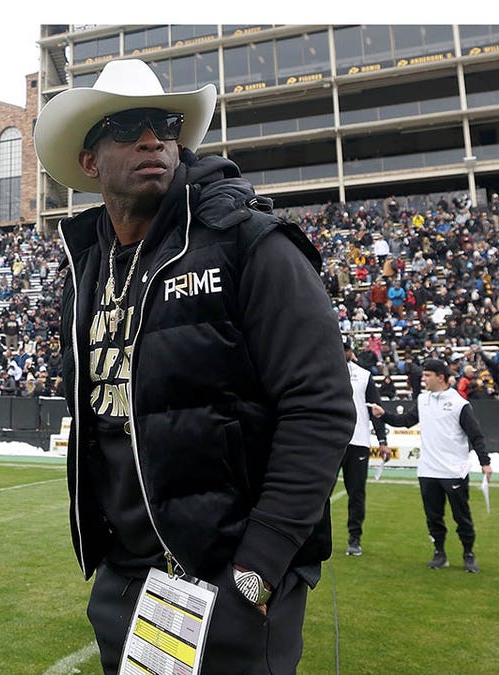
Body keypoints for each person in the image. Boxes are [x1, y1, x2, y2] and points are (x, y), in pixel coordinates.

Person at [32, 58, 354, 672]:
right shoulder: (87, 266)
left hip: (232, 578)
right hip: (128, 576)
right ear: (90, 159)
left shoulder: (250, 242)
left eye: (165, 123)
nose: (153, 138)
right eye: (128, 126)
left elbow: (321, 406)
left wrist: (258, 568)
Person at [370, 359, 492, 573]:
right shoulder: (423, 400)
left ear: (441, 377)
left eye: (427, 375)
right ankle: (439, 553)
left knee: (461, 516)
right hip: (427, 469)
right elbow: (406, 421)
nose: (423, 379)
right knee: (433, 517)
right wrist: (385, 415)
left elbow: (476, 435)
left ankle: (468, 554)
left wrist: (485, 463)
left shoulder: (459, 403)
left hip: (454, 470)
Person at [343, 341, 391, 556]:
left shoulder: (363, 375)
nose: (342, 351)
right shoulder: (320, 370)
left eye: (345, 348)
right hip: (328, 441)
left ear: (350, 351)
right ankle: (316, 536)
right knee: (319, 492)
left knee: (356, 492)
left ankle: (355, 537)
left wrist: (382, 440)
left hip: (358, 441)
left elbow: (375, 409)